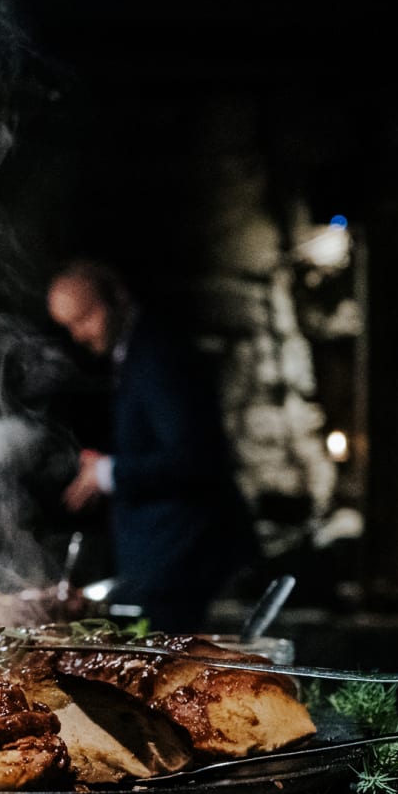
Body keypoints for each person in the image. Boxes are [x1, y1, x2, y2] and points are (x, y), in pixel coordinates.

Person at [48, 260, 255, 632]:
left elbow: (196, 457)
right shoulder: (138, 350)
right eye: (70, 326)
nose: (79, 335)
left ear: (118, 297)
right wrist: (107, 466)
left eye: (86, 318)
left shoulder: (159, 352)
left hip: (181, 555)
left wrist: (110, 472)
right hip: (164, 557)